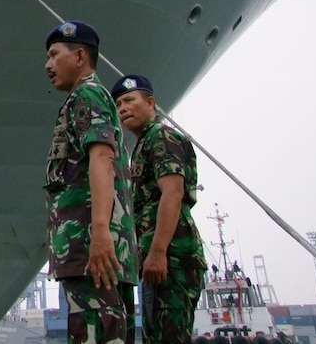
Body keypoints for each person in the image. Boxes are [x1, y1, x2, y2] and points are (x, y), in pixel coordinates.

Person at [43, 21, 138, 344]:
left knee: (95, 334)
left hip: (89, 250)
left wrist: (100, 233)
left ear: (80, 56)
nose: (48, 65)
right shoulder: (91, 96)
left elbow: (101, 159)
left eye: (55, 55)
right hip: (93, 249)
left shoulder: (86, 95)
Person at [111, 74, 207, 344]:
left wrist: (157, 252)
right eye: (118, 105)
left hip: (173, 257)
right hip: (160, 259)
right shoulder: (143, 144)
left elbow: (173, 193)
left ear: (151, 103)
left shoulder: (161, 137)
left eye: (130, 100)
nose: (123, 109)